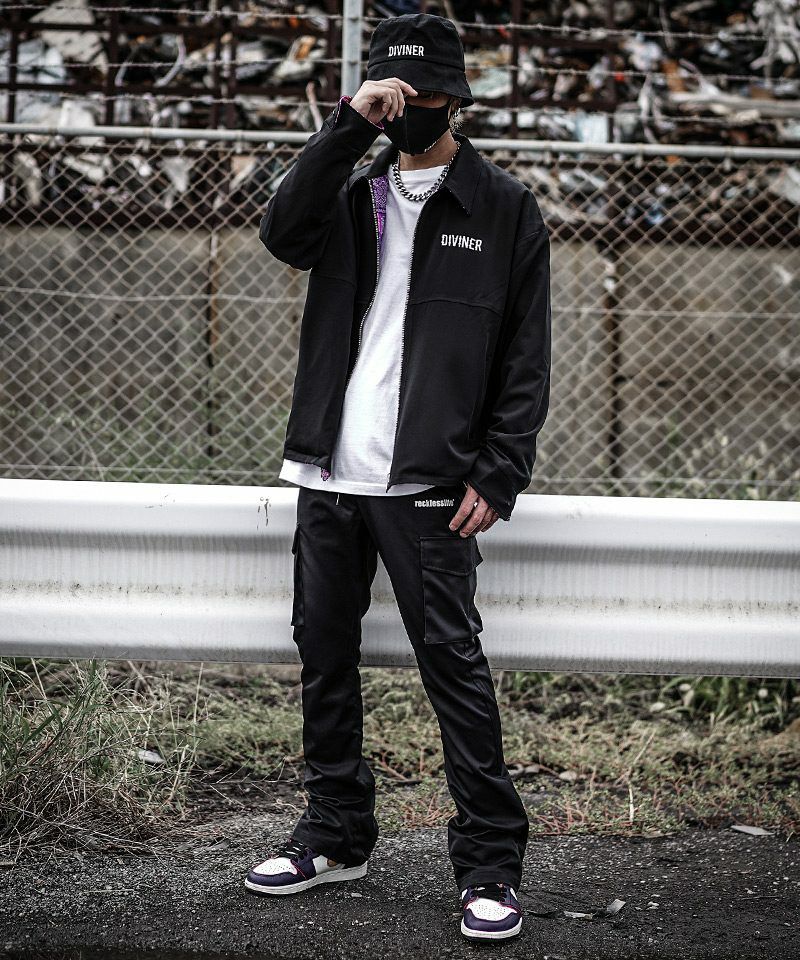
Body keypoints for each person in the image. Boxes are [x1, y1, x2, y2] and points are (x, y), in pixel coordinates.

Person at [245, 12, 551, 942]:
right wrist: (348, 126)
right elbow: (281, 232)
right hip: (330, 471)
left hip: (429, 483)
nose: (407, 107)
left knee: (452, 666)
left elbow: (525, 358)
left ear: (455, 98)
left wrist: (500, 471)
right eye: (394, 93)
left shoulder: (503, 208)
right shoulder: (351, 191)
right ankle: (335, 834)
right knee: (324, 655)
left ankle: (490, 864)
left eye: (422, 94)